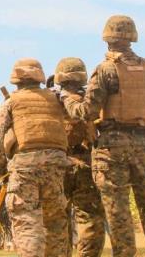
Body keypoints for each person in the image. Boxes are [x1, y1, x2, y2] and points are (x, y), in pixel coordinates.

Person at [64, 16, 145, 257]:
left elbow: (86, 112)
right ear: (132, 36)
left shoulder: (105, 70)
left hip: (112, 147)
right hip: (143, 145)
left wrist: (67, 99)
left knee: (118, 211)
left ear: (107, 38)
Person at [0, 58, 70, 257]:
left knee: (27, 223)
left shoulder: (10, 103)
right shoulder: (56, 99)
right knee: (55, 222)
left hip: (24, 168)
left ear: (16, 79)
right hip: (56, 167)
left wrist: (0, 170)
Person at [52, 58, 106, 257]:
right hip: (86, 164)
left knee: (57, 218)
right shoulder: (93, 101)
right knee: (91, 218)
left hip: (58, 164)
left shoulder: (50, 99)